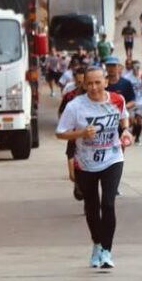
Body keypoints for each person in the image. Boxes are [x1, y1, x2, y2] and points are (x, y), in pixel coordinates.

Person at [56, 67, 132, 269]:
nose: (94, 87)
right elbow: (60, 133)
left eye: (98, 82)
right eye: (89, 83)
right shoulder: (75, 106)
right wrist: (80, 133)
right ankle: (97, 244)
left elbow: (123, 117)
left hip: (112, 157)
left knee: (108, 203)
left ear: (106, 82)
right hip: (85, 162)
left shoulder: (117, 100)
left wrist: (125, 131)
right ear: (83, 84)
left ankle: (107, 251)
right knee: (92, 205)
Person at [60, 65, 88, 200]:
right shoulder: (70, 96)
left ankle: (88, 195)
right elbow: (61, 113)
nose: (82, 85)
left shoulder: (95, 97)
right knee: (72, 175)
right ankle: (78, 183)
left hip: (90, 141)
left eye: (84, 82)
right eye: (79, 82)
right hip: (73, 139)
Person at [123, 60, 142, 144]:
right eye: (135, 67)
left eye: (138, 67)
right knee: (131, 120)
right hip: (131, 101)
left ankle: (137, 139)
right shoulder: (127, 78)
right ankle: (133, 129)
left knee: (139, 119)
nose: (137, 69)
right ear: (132, 68)